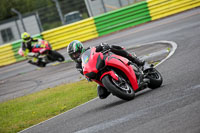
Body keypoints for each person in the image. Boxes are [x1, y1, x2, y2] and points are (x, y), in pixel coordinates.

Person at [67, 40, 145, 99]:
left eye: (76, 54)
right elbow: (85, 73)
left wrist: (103, 46)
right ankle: (116, 87)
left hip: (105, 62)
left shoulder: (89, 50)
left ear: (81, 49)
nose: (75, 56)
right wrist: (88, 77)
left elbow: (98, 48)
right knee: (101, 94)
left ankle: (134, 59)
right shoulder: (79, 66)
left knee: (113, 47)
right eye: (73, 55)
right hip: (98, 74)